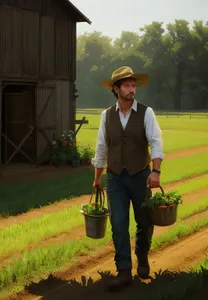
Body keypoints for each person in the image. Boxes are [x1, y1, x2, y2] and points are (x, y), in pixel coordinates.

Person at [92, 66, 164, 291]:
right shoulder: (107, 115)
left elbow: (156, 142)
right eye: (127, 85)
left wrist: (156, 171)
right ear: (116, 89)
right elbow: (101, 148)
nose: (132, 89)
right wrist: (97, 178)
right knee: (118, 223)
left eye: (133, 85)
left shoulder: (146, 112)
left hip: (140, 176)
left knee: (145, 221)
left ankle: (142, 258)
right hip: (115, 179)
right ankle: (124, 270)